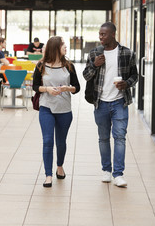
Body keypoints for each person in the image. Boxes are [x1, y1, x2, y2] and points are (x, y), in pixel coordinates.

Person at [82, 22, 138, 187]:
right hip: (101, 103)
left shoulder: (127, 53)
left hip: (120, 102)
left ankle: (118, 174)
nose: (100, 37)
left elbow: (135, 75)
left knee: (120, 137)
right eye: (99, 34)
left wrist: (126, 84)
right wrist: (94, 65)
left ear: (113, 34)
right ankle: (106, 170)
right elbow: (86, 76)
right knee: (104, 138)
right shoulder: (94, 53)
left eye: (104, 34)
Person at [32, 36, 80, 188]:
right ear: (55, 48)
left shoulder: (69, 66)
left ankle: (59, 166)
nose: (66, 47)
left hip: (64, 109)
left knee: (61, 142)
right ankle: (48, 175)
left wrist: (67, 88)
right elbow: (35, 87)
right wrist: (47, 89)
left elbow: (77, 87)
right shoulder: (41, 65)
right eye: (63, 44)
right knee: (47, 141)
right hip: (46, 107)